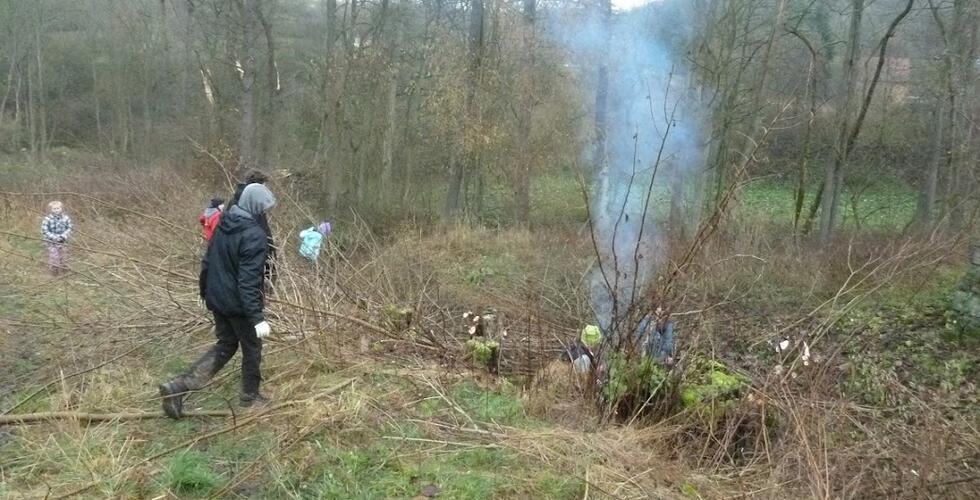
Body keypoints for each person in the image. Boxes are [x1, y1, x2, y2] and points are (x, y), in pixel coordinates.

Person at [159, 183, 277, 418]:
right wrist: (257, 318)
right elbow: (248, 281)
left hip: (217, 296)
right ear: (256, 207)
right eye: (264, 209)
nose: (266, 213)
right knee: (252, 348)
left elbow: (208, 260)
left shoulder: (224, 222)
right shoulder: (254, 235)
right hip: (237, 303)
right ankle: (250, 397)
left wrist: (204, 291)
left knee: (226, 344)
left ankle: (177, 387)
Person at [229, 170, 277, 286]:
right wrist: (269, 271)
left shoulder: (235, 202)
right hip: (247, 267)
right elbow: (262, 237)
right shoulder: (252, 208)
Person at [40, 200, 73, 275]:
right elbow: (44, 230)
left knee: (64, 255)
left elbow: (70, 228)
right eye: (54, 209)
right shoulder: (47, 219)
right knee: (54, 256)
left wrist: (63, 236)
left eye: (58, 208)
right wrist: (54, 237)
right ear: (51, 210)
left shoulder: (66, 218)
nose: (56, 210)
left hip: (63, 240)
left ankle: (65, 269)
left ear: (61, 208)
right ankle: (54, 270)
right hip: (51, 242)